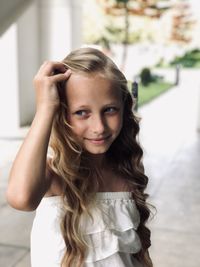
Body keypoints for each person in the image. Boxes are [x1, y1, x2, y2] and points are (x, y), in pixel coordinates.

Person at [7, 47, 153, 267]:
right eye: (81, 112)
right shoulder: (53, 176)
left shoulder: (126, 171)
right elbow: (21, 198)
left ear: (124, 108)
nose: (99, 127)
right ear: (61, 113)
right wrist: (45, 107)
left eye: (110, 110)